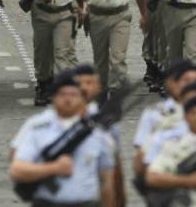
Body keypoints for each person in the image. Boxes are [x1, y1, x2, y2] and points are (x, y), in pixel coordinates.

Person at [9, 70, 117, 206]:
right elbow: (17, 170)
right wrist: (53, 168)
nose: (68, 99)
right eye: (63, 94)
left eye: (73, 95)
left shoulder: (96, 131)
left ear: (82, 99)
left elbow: (106, 178)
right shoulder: (38, 127)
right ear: (54, 98)